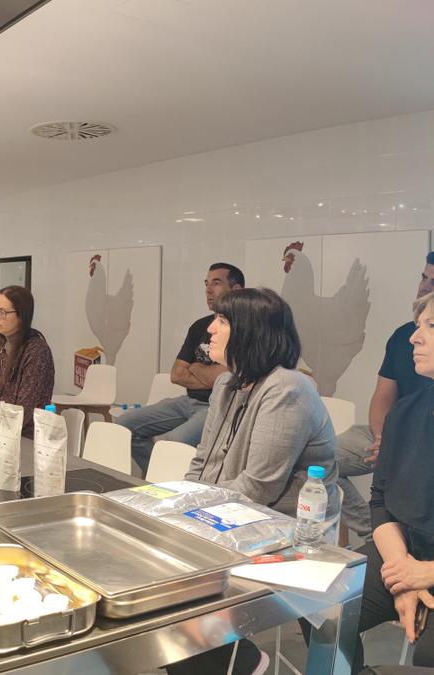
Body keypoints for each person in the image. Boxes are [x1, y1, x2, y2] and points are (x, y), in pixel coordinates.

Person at [166, 288, 338, 675]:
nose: (210, 329)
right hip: (231, 518)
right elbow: (203, 461)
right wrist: (178, 509)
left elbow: (258, 487)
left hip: (288, 532)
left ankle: (238, 660)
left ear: (250, 331)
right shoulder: (227, 383)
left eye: (222, 321)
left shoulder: (287, 388)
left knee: (177, 583)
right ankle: (224, 658)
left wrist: (190, 518)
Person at [344, 291, 434, 671]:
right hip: (406, 552)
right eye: (418, 326)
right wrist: (402, 573)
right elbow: (380, 500)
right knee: (324, 607)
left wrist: (425, 573)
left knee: (427, 656)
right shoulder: (405, 413)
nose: (414, 337)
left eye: (431, 326)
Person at [337, 251, 434, 538]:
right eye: (423, 278)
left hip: (416, 437)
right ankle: (374, 531)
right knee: (313, 454)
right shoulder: (402, 336)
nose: (425, 286)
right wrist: (384, 438)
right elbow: (382, 397)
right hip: (392, 429)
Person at [117, 263, 245, 475]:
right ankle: (156, 478)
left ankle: (169, 483)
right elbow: (176, 375)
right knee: (123, 424)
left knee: (172, 442)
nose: (208, 290)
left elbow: (221, 379)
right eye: (206, 284)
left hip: (218, 406)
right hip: (188, 401)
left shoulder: (244, 328)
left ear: (236, 289)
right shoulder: (200, 326)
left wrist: (194, 367)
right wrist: (208, 374)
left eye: (216, 283)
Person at [0, 286, 54, 437]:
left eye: (2, 312)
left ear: (21, 316)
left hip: (27, 437)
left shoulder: (37, 351)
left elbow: (24, 409)